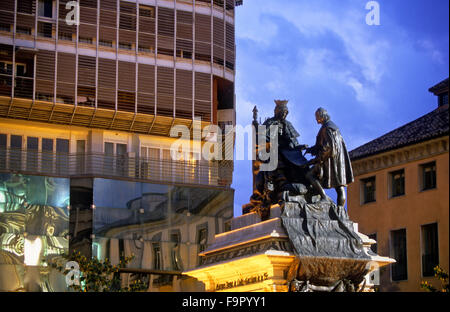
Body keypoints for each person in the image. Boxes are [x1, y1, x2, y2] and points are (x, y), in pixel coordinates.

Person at [305, 107, 354, 206]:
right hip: (337, 160)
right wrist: (310, 149)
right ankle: (340, 211)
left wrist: (316, 159)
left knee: (309, 175)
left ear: (322, 116)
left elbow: (327, 147)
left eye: (317, 116)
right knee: (339, 186)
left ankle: (324, 197)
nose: (316, 119)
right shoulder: (332, 127)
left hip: (330, 160)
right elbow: (323, 145)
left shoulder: (327, 128)